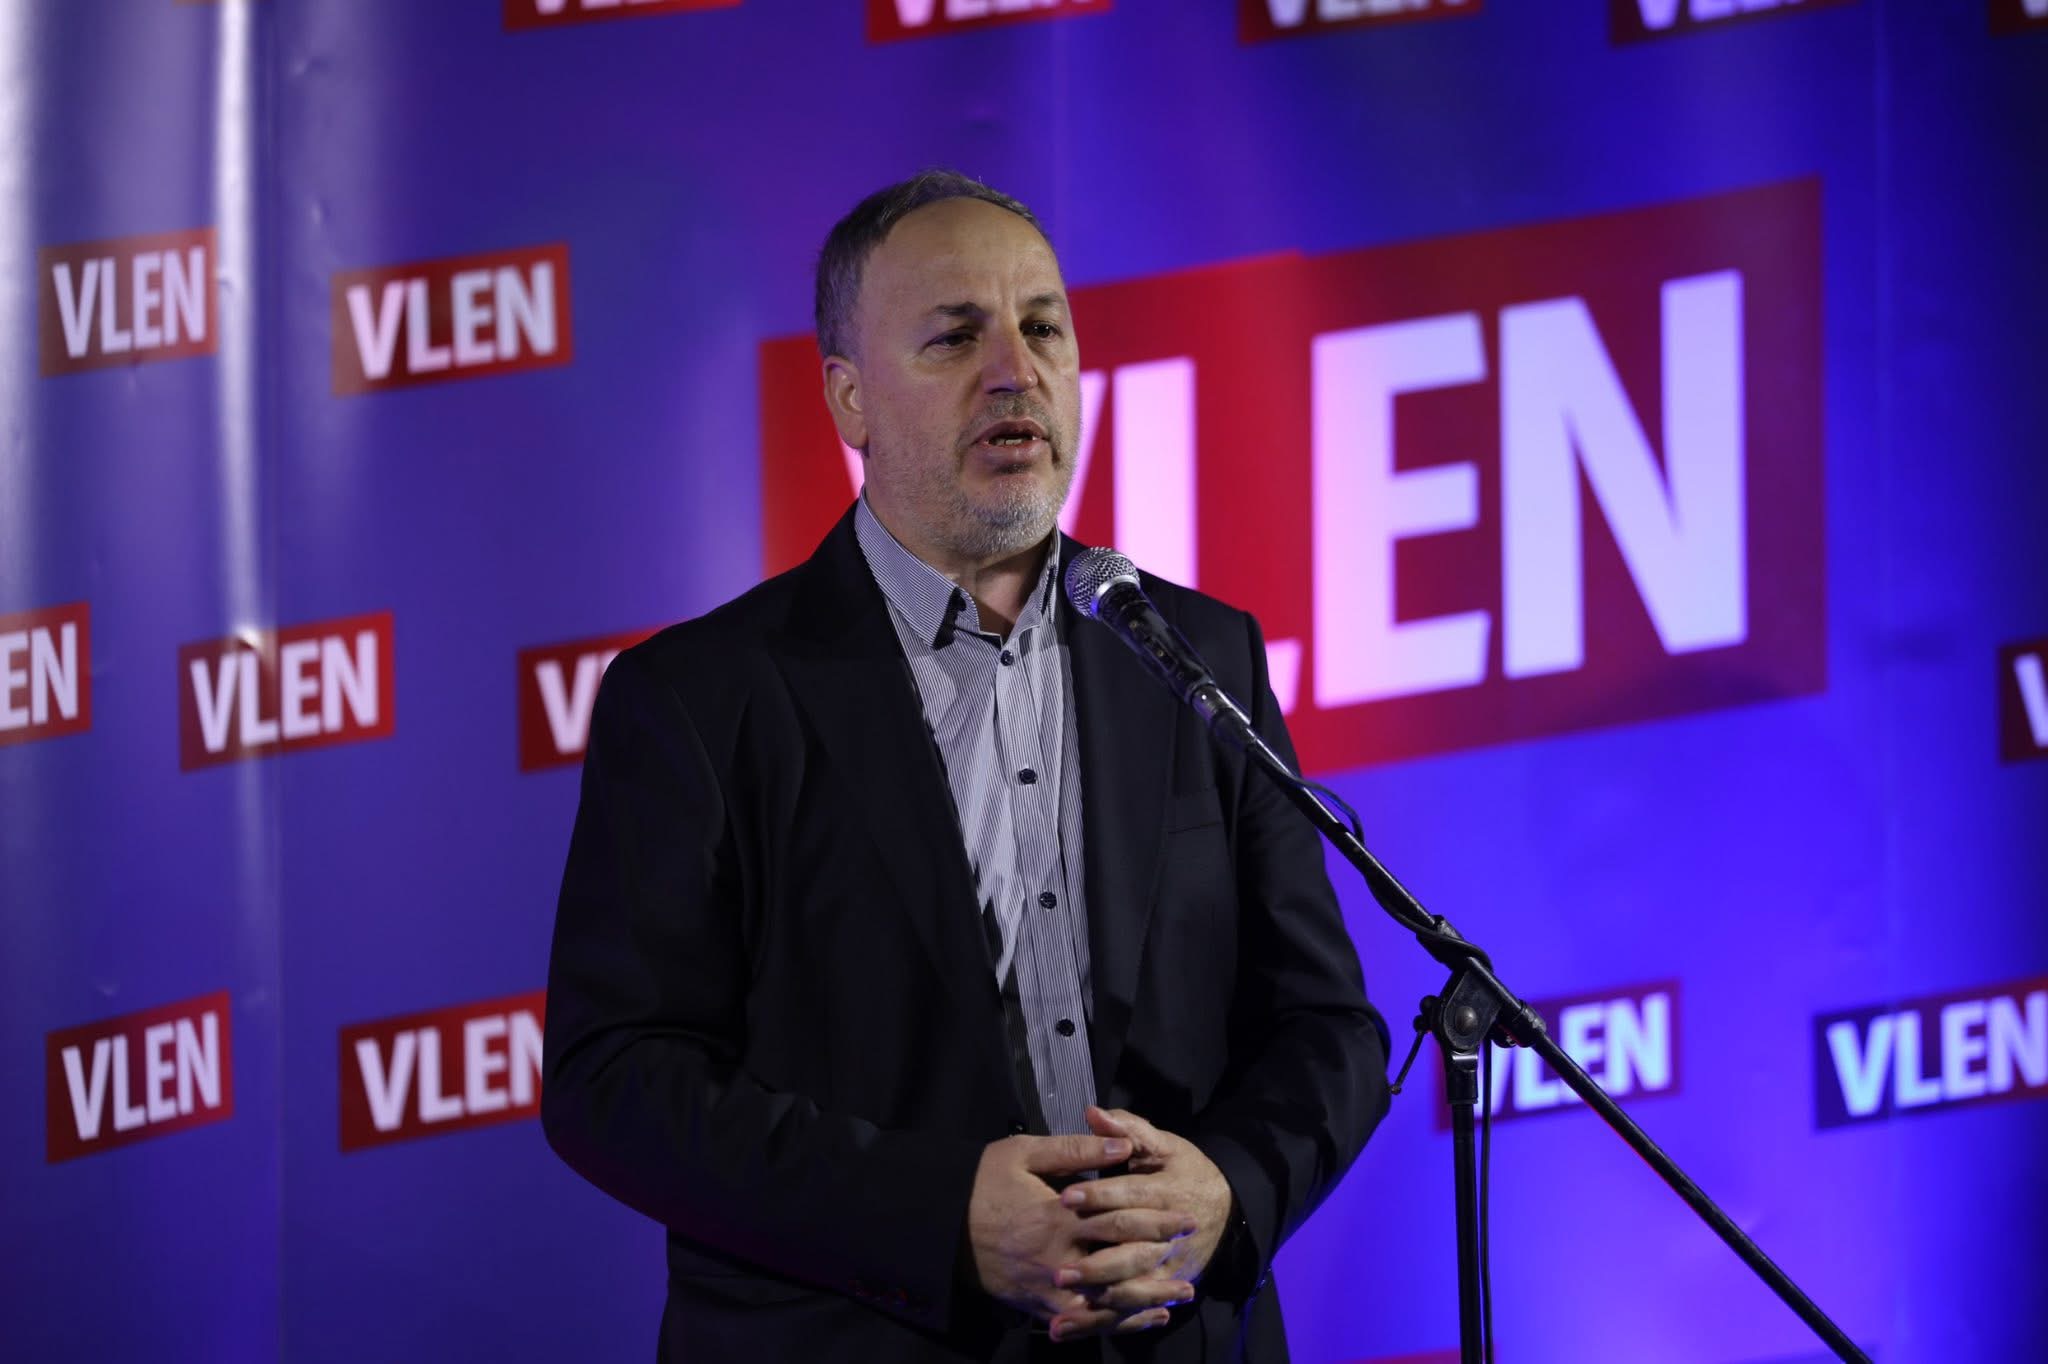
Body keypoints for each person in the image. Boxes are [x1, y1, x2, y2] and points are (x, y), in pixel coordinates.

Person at [542, 170, 1390, 1362]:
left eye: (1042, 327)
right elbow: (615, 1079)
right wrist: (937, 1216)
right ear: (848, 399)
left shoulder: (1199, 655)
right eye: (954, 336)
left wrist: (1225, 1190)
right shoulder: (697, 698)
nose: (1014, 371)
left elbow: (1326, 1022)